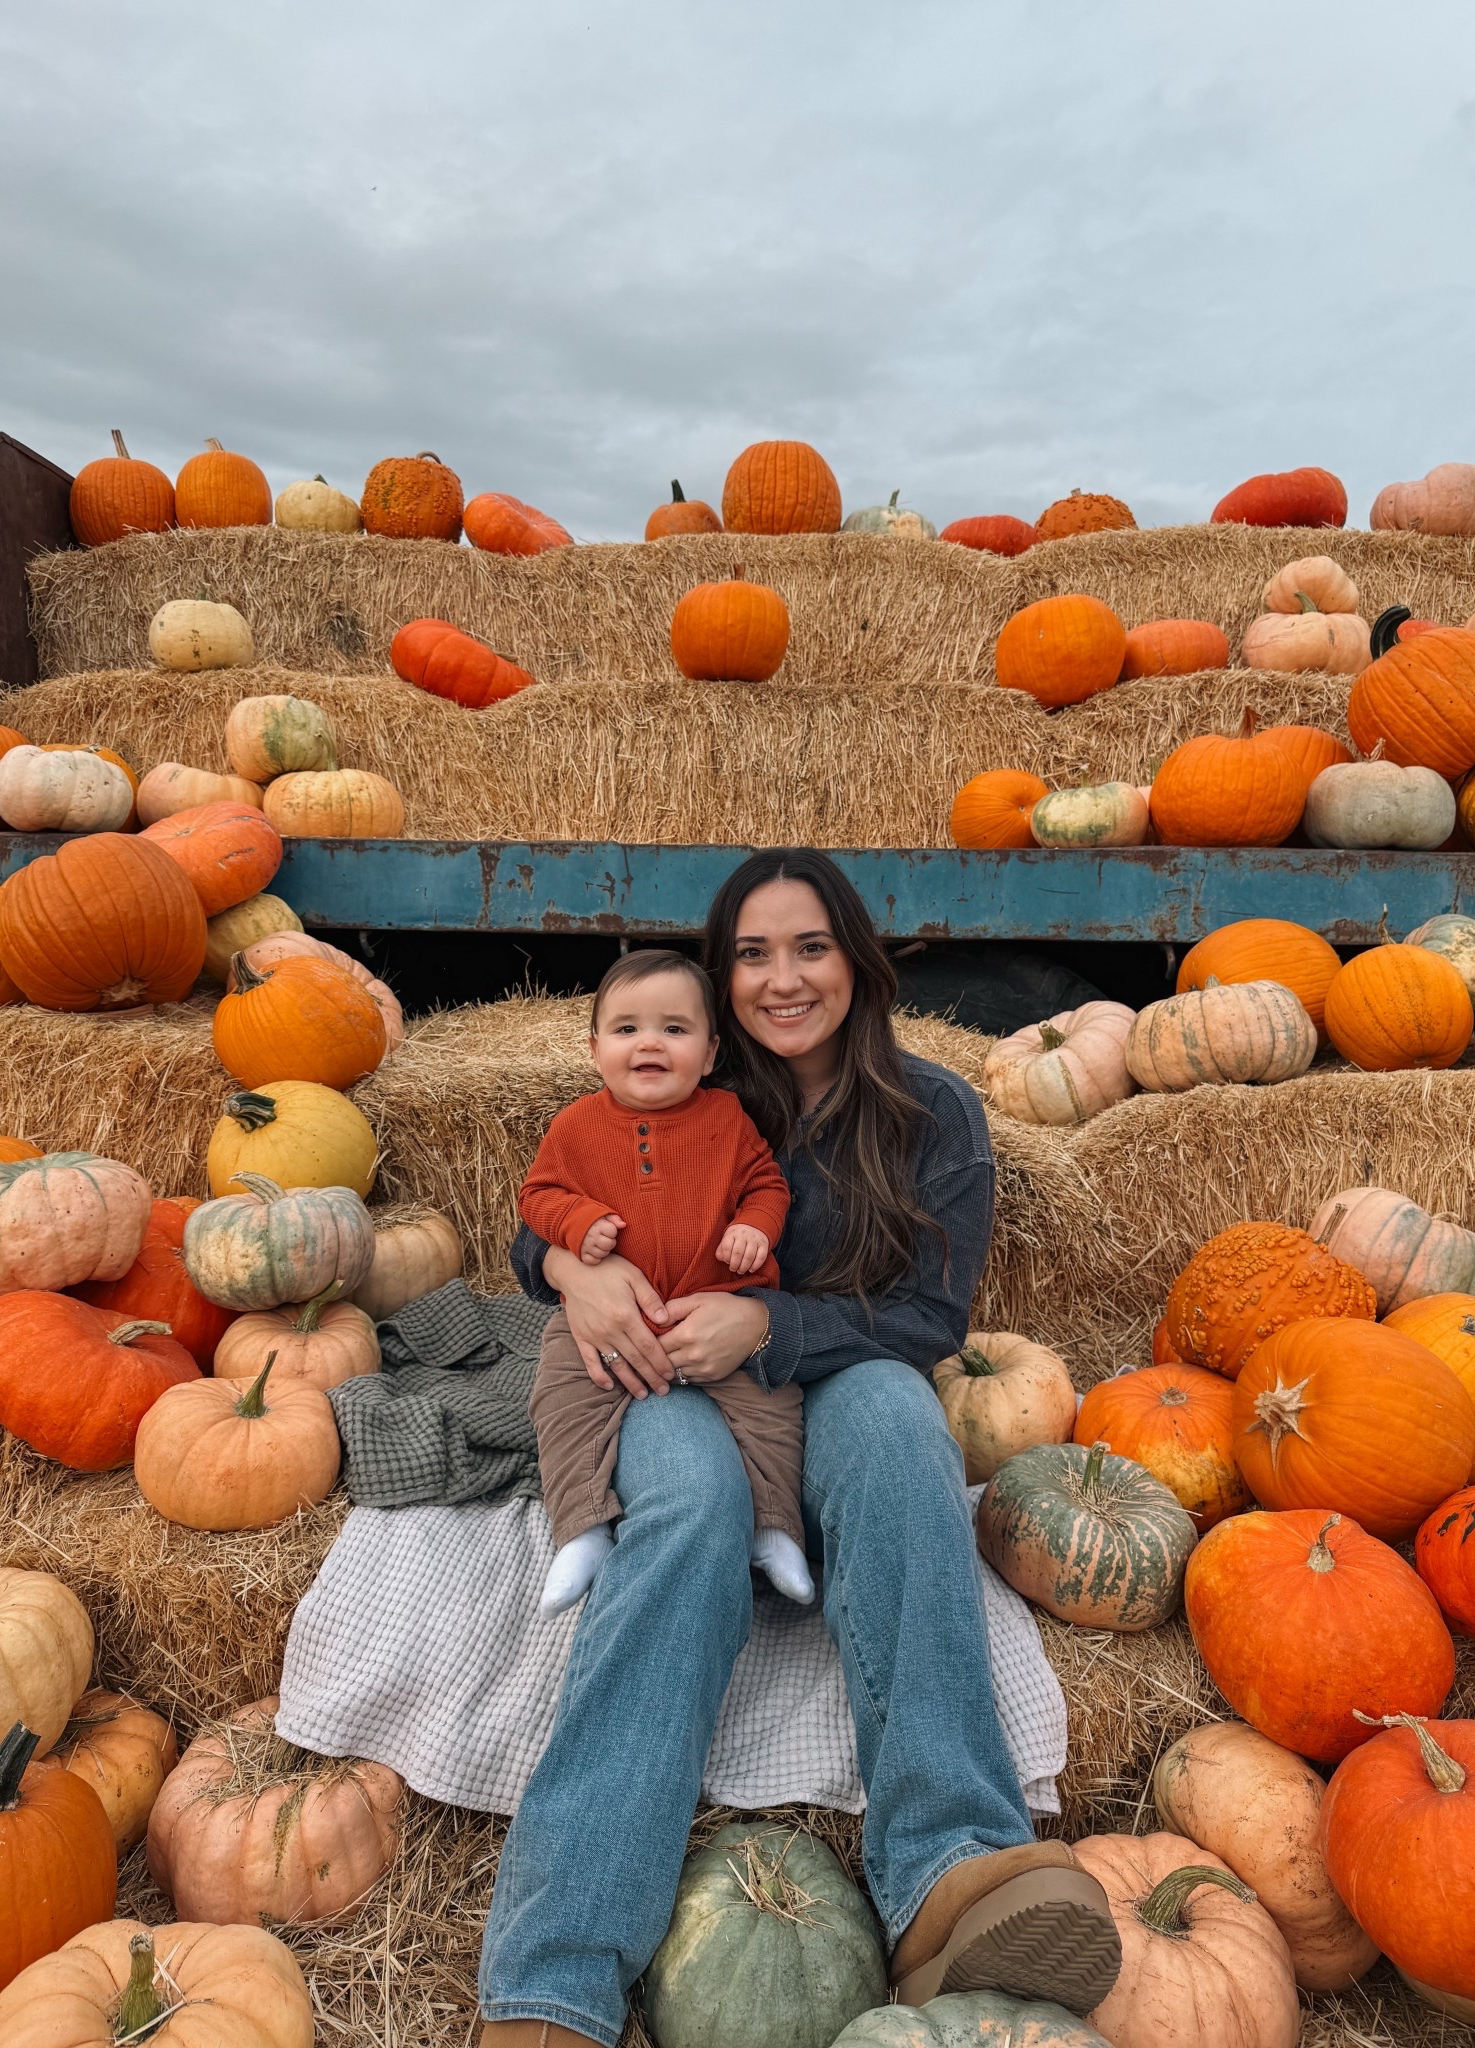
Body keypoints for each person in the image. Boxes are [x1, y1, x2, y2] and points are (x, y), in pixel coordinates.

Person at [479, 850, 1121, 2048]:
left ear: (857, 959)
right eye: (753, 953)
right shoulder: (683, 1080)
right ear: (719, 981)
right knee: (692, 1501)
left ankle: (951, 1870)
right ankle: (555, 1973)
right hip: (670, 1381)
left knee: (897, 1423)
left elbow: (931, 1320)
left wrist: (769, 1322)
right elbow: (543, 1212)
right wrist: (572, 1269)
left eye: (810, 946)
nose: (783, 978)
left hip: (827, 1381)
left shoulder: (936, 1112)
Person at [519, 947, 812, 1616]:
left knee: (774, 1411)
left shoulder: (727, 1120)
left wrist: (755, 1229)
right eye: (627, 1030)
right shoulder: (576, 1126)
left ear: (710, 1053)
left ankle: (774, 1529)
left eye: (674, 1030)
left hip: (721, 1313)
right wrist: (578, 1221)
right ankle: (583, 1527)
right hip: (605, 1322)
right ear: (595, 1049)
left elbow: (767, 1185)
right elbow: (538, 1196)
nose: (649, 1042)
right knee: (562, 1397)